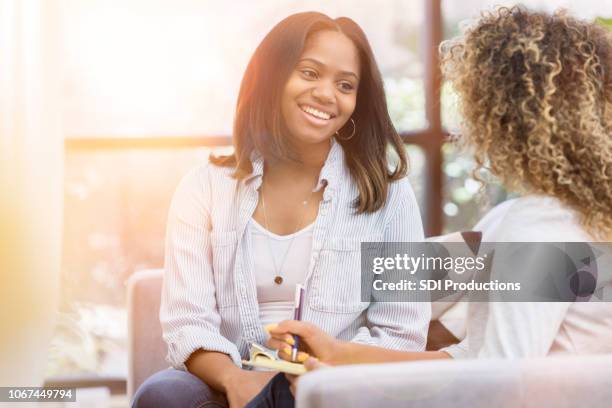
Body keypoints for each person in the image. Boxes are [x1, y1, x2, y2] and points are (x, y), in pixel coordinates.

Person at [258, 6, 612, 406]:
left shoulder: (535, 229)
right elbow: (472, 356)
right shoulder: (572, 217)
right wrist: (341, 355)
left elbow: (500, 386)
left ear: (500, 113)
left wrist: (348, 388)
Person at [131, 11, 429, 408]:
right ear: (273, 77)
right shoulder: (203, 188)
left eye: (345, 85)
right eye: (309, 73)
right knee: (162, 395)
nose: (326, 94)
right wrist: (236, 380)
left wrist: (326, 372)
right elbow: (189, 322)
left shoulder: (389, 195)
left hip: (339, 387)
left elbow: (401, 331)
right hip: (230, 381)